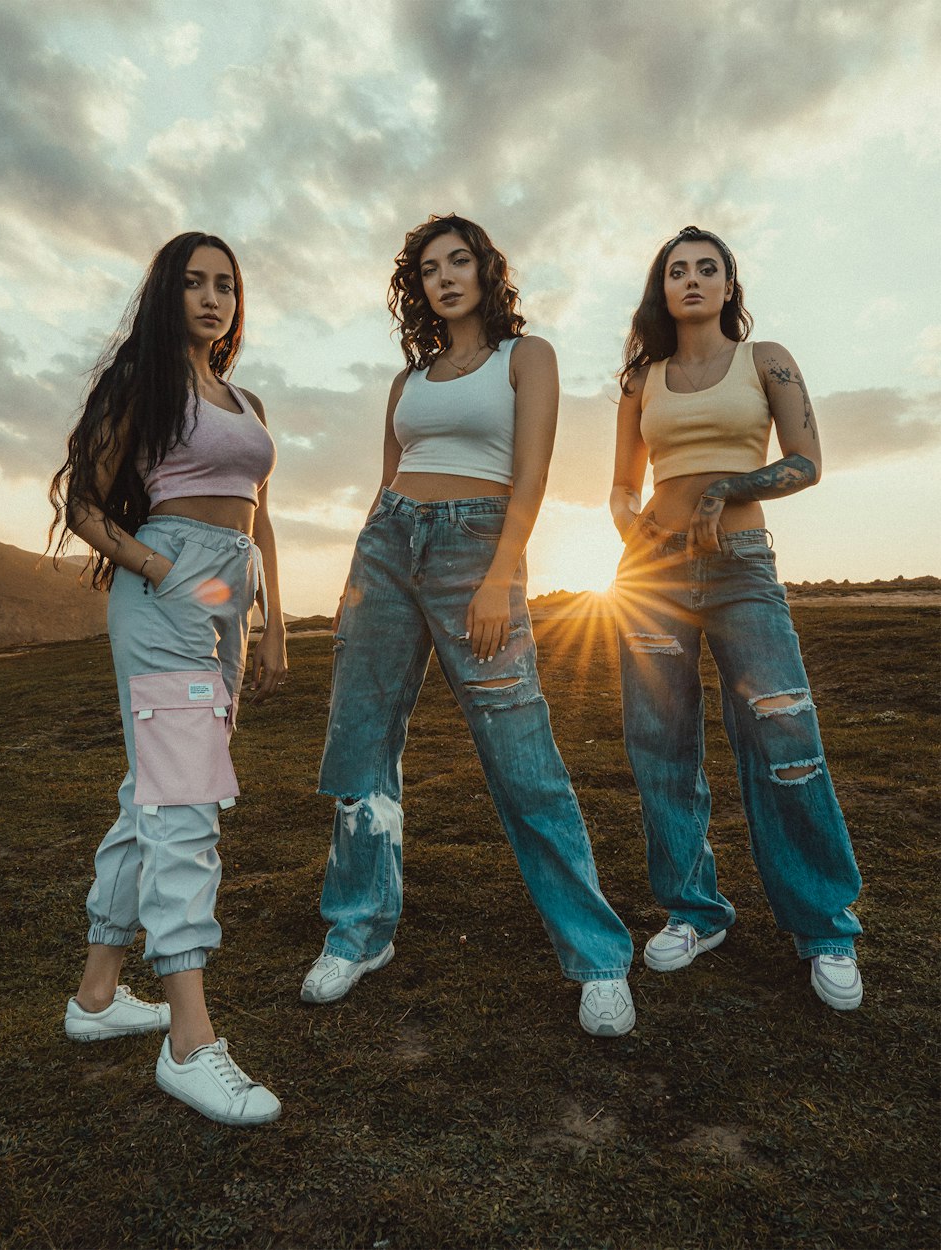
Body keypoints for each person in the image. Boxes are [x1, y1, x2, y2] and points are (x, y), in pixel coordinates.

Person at [300, 213, 635, 1037]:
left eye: (459, 261)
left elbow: (532, 475)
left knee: (523, 757)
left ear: (487, 271)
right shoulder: (406, 379)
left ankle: (597, 958)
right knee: (361, 741)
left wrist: (500, 575)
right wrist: (358, 578)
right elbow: (389, 483)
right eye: (427, 268)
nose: (445, 277)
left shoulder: (528, 357)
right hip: (387, 548)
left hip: (476, 546)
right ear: (416, 287)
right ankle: (359, 929)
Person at [48, 231, 286, 1123]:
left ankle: (98, 995)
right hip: (172, 586)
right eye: (194, 282)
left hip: (231, 590)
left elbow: (263, 516)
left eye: (226, 284)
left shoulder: (243, 397)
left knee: (152, 787)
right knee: (182, 799)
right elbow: (86, 506)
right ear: (166, 295)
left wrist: (269, 626)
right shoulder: (143, 387)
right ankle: (190, 1042)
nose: (213, 297)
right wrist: (156, 570)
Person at [610, 225, 863, 1011]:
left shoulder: (767, 359)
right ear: (663, 287)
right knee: (661, 745)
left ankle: (824, 925)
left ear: (728, 286)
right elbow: (620, 485)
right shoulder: (641, 378)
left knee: (783, 732)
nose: (692, 279)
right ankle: (694, 910)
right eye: (677, 270)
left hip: (742, 566)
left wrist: (727, 491)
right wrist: (634, 527)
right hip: (650, 577)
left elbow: (807, 461)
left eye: (707, 269)